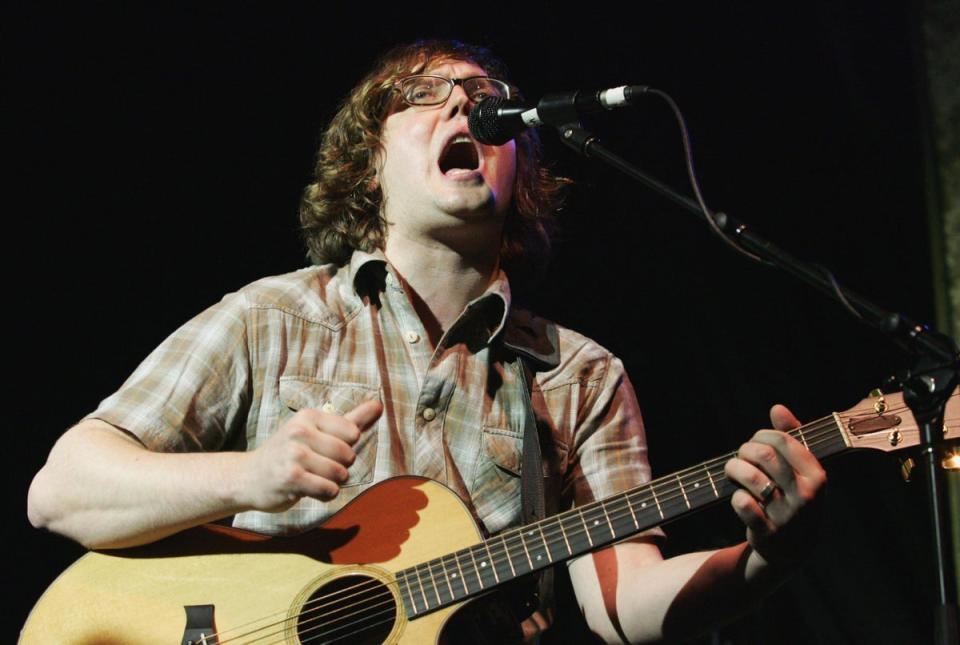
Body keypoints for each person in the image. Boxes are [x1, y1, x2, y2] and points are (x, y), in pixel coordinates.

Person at [27, 40, 826, 643]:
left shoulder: (579, 375)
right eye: (423, 96)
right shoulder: (273, 318)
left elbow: (625, 604)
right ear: (367, 167)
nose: (463, 109)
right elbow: (62, 491)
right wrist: (250, 475)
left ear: (521, 172)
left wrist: (763, 559)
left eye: (485, 100)